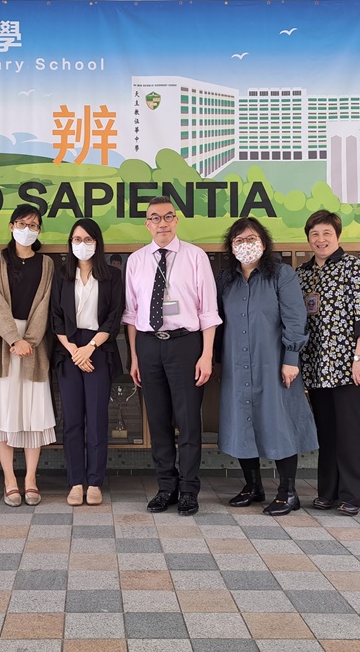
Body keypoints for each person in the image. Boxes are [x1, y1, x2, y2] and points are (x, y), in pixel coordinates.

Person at [122, 196, 221, 516]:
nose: (161, 223)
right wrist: (135, 357)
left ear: (176, 221)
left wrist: (206, 355)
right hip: (149, 345)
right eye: (155, 218)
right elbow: (131, 314)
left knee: (189, 420)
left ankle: (189, 489)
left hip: (186, 344)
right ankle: (166, 486)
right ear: (147, 224)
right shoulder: (136, 260)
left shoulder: (195, 256)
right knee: (158, 419)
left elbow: (208, 311)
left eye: (167, 217)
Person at [215, 217, 317, 516]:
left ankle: (288, 492)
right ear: (231, 246)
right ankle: (253, 486)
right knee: (241, 423)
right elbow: (217, 322)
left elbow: (295, 318)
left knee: (279, 423)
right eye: (239, 240)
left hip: (274, 364)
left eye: (251, 239)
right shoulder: (226, 280)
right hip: (236, 365)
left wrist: (291, 360)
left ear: (263, 242)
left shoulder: (281, 275)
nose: (245, 245)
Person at [297, 209, 360, 517]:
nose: (321, 240)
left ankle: (354, 494)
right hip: (317, 367)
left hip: (348, 367)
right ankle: (328, 492)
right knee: (327, 431)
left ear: (338, 236)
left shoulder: (353, 268)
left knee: (350, 432)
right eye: (315, 234)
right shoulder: (303, 273)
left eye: (326, 234)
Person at [0, 204, 56, 506]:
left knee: (33, 410)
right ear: (11, 226)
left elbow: (45, 303)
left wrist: (29, 341)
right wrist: (14, 338)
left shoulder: (47, 263)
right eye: (22, 223)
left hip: (34, 345)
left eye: (33, 225)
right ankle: (10, 479)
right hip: (3, 343)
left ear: (39, 230)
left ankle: (31, 478)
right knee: (3, 408)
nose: (27, 229)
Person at [50, 218, 124, 506]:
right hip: (68, 349)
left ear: (97, 243)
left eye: (88, 239)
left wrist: (90, 347)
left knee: (96, 418)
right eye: (77, 240)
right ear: (70, 243)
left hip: (99, 348)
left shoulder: (112, 276)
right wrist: (74, 350)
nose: (82, 245)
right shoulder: (61, 275)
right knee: (71, 420)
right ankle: (75, 482)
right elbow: (56, 316)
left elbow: (114, 317)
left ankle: (94, 482)